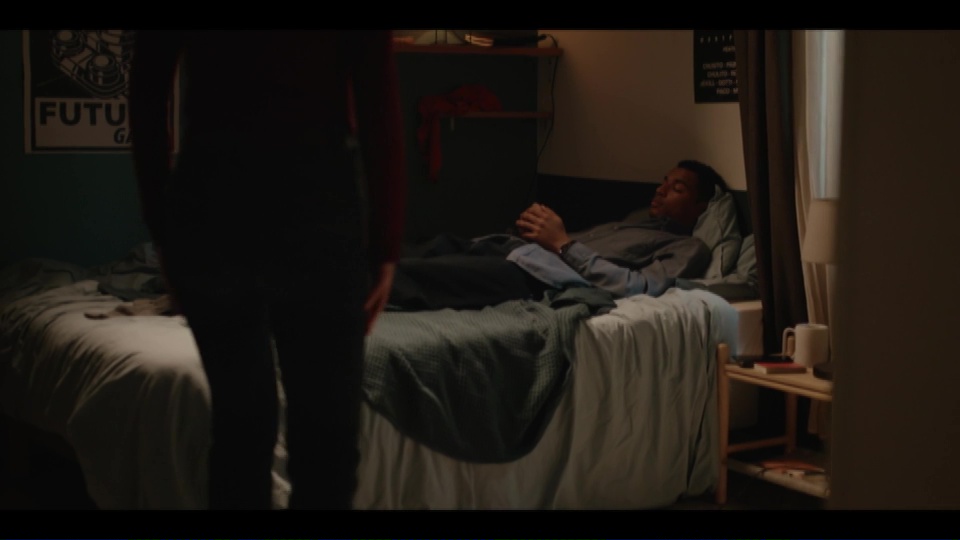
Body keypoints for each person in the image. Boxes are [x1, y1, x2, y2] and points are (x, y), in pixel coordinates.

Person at [129, 30, 407, 510]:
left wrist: (165, 232)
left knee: (241, 433)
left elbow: (147, 96)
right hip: (314, 203)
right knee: (325, 449)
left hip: (214, 205)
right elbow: (377, 100)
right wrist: (385, 244)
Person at [388, 159, 723, 310]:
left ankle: (359, 291)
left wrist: (563, 243)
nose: (661, 190)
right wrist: (534, 231)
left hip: (535, 276)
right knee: (418, 248)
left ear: (701, 207)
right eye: (664, 182)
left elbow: (638, 287)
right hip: (514, 249)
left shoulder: (689, 246)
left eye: (677, 188)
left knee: (418, 276)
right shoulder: (636, 221)